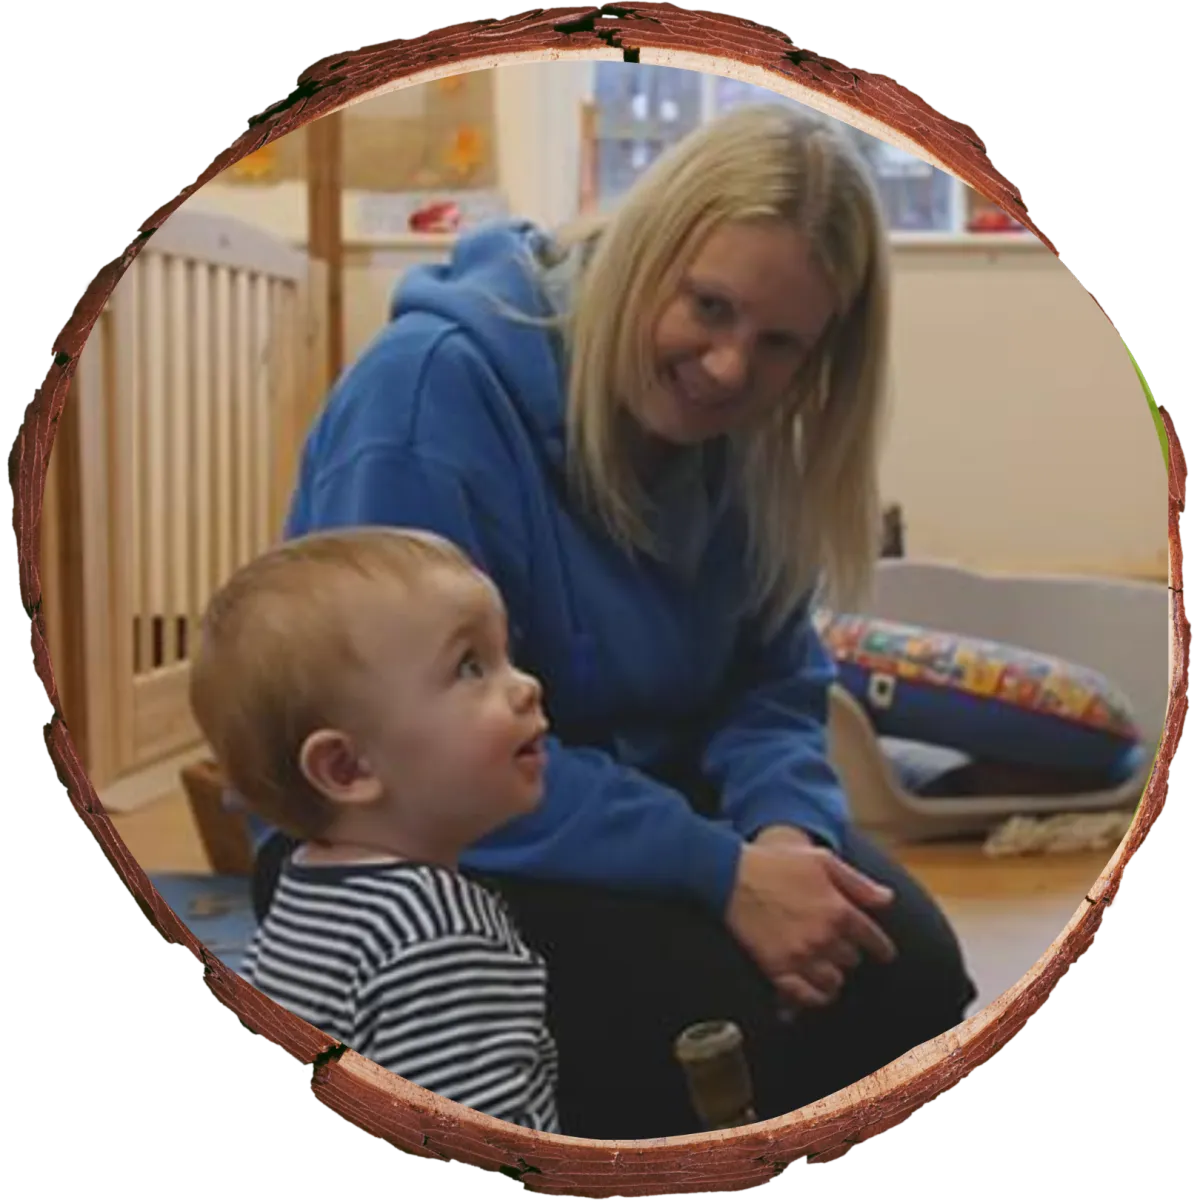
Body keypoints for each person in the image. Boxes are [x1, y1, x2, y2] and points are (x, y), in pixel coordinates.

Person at [239, 102, 978, 1140]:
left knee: (909, 974)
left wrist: (784, 840)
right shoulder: (430, 397)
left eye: (777, 345)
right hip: (420, 825)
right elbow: (413, 747)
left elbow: (774, 683)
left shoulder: (752, 443)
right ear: (643, 252)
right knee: (708, 1014)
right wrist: (718, 873)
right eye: (708, 307)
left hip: (646, 802)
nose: (729, 368)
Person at [190, 528, 560, 1134]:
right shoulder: (441, 934)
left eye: (504, 655)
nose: (525, 686)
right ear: (349, 768)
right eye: (471, 667)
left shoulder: (306, 884)